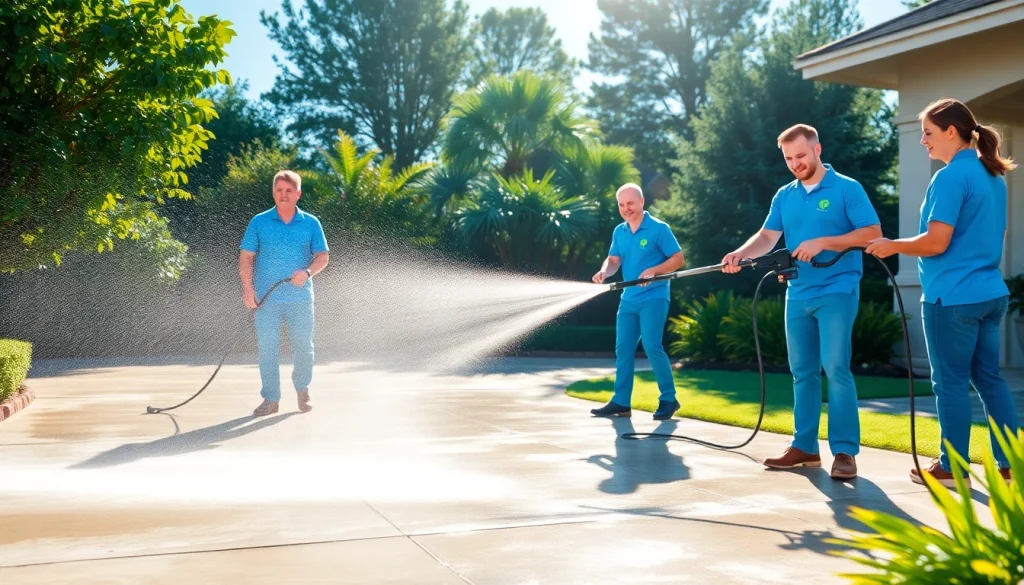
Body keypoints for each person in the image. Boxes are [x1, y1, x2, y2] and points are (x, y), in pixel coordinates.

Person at [866, 98, 1018, 488]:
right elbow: (998, 235)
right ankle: (1011, 466)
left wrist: (892, 245)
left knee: (949, 383)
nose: (923, 141)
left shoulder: (950, 178)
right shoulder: (992, 176)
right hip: (989, 293)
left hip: (951, 299)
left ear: (952, 132)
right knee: (990, 380)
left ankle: (952, 469)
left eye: (928, 133)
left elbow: (936, 242)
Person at [721, 124, 882, 480]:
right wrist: (740, 254)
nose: (796, 164)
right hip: (797, 292)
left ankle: (844, 451)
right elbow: (767, 236)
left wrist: (824, 241)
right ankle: (805, 447)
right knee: (802, 372)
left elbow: (872, 234)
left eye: (801, 156)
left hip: (838, 288)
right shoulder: (785, 195)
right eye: (789, 159)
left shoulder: (847, 188)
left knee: (836, 368)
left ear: (817, 149)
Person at [591, 183, 685, 420]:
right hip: (628, 299)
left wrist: (654, 270)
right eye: (621, 204)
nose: (626, 208)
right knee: (623, 349)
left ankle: (669, 399)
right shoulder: (619, 231)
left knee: (652, 346)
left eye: (630, 203)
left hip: (654, 297)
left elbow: (678, 259)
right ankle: (621, 402)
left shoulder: (658, 229)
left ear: (642, 202)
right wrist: (604, 271)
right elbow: (613, 260)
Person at [240, 170, 329, 416]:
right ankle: (271, 399)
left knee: (304, 347)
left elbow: (323, 257)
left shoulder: (311, 223)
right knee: (268, 349)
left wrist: (308, 272)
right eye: (279, 190)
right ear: (273, 192)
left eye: (289, 190)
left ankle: (303, 389)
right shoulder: (259, 222)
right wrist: (248, 289)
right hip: (266, 299)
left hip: (300, 299)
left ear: (298, 194)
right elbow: (246, 257)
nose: (283, 195)